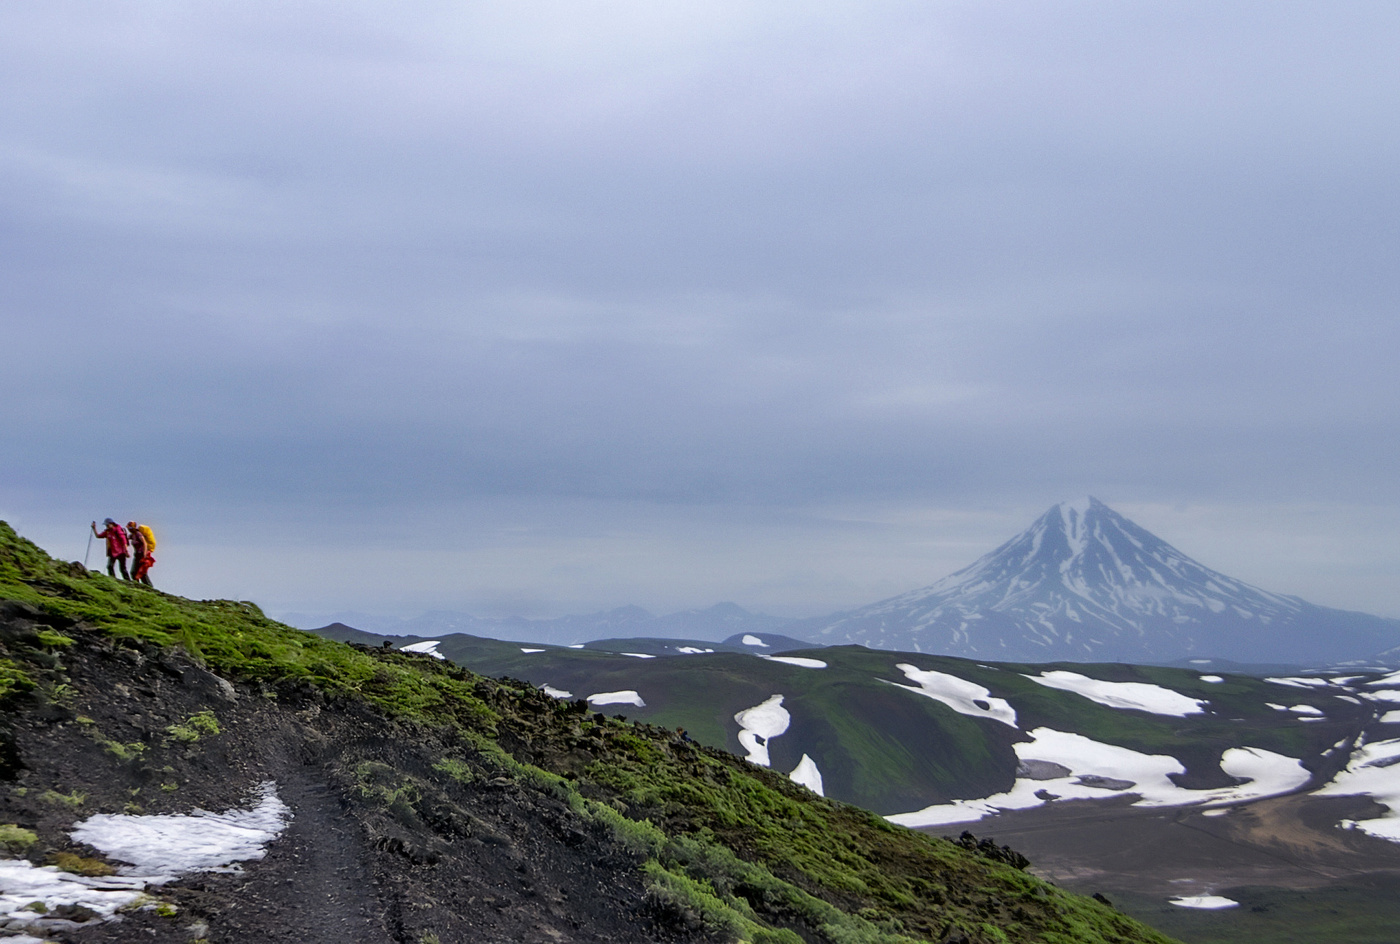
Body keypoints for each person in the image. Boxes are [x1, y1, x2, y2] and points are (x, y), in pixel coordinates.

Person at [127, 521, 154, 587]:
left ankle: (149, 587)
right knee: (133, 572)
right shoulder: (132, 535)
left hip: (141, 554)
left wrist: (144, 554)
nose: (129, 529)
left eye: (130, 528)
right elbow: (125, 538)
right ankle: (137, 586)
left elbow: (145, 543)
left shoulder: (138, 534)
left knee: (142, 573)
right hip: (136, 554)